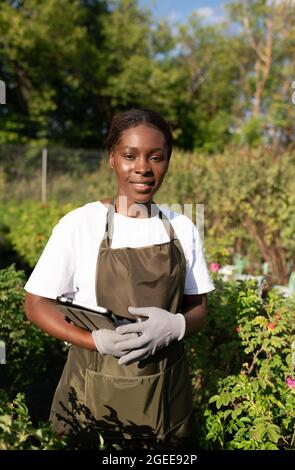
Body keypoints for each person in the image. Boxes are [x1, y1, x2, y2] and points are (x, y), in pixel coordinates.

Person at [24, 108, 215, 449]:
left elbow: (198, 306)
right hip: (91, 391)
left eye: (156, 157)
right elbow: (36, 303)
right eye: (130, 156)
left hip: (164, 394)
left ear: (168, 161)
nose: (143, 168)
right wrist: (94, 340)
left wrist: (177, 326)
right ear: (112, 158)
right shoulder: (80, 224)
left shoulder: (181, 227)